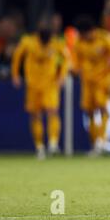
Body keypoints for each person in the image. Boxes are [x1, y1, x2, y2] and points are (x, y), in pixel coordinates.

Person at [11, 28, 69, 159]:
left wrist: (62, 76)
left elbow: (66, 59)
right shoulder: (28, 42)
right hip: (33, 85)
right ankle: (39, 146)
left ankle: (53, 143)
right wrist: (15, 74)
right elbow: (17, 56)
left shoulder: (56, 43)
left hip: (50, 84)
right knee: (35, 115)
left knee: (52, 111)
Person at [73, 16, 110, 156]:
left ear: (91, 31)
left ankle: (101, 142)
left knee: (103, 109)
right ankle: (95, 143)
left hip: (103, 80)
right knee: (90, 112)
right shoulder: (79, 43)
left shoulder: (104, 38)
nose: (83, 36)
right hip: (87, 82)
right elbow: (77, 62)